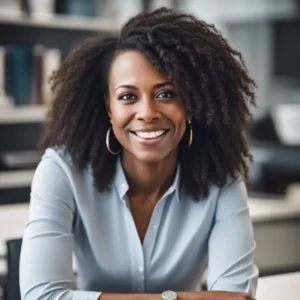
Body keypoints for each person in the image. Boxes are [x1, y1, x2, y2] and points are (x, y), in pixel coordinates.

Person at [19, 7, 258, 300]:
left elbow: (236, 297)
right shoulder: (63, 170)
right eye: (128, 97)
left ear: (191, 103)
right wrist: (173, 299)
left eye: (166, 94)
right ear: (110, 108)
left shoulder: (221, 179)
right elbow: (41, 296)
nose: (147, 113)